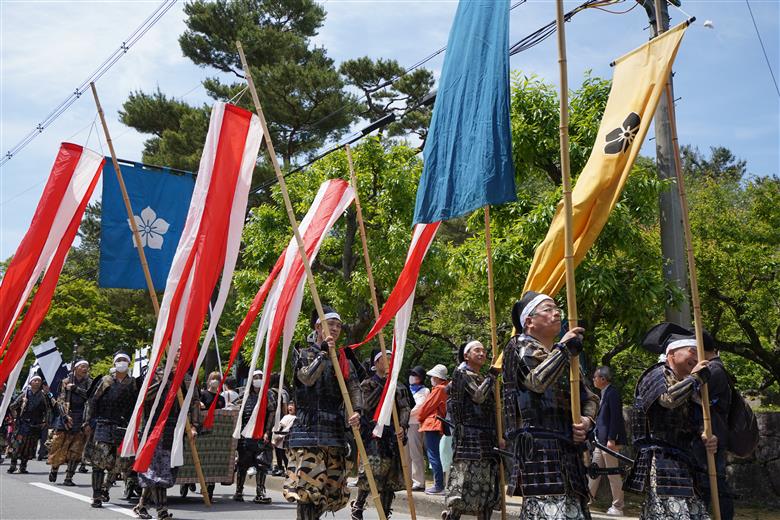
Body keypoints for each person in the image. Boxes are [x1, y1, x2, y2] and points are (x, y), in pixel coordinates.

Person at [502, 291, 599, 519]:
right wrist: (563, 349)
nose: (556, 313)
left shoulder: (567, 357)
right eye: (547, 309)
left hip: (568, 447)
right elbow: (536, 382)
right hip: (538, 448)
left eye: (557, 309)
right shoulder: (518, 347)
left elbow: (591, 398)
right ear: (529, 321)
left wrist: (586, 421)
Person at [624, 323, 717, 520]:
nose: (696, 357)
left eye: (699, 353)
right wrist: (695, 379)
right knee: (673, 513)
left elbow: (693, 421)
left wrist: (706, 436)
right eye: (692, 350)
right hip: (660, 460)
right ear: (672, 353)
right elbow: (667, 400)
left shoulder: (691, 385)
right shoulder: (656, 374)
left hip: (684, 460)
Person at [283, 306, 363, 520]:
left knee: (330, 493)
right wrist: (323, 354)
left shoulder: (344, 358)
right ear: (318, 327)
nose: (335, 329)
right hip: (308, 430)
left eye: (338, 325)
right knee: (307, 492)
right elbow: (306, 378)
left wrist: (356, 411)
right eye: (331, 324)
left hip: (335, 431)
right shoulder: (304, 353)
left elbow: (354, 387)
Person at [133, 361, 201, 520]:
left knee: (166, 470)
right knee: (157, 471)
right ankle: (162, 511)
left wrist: (194, 426)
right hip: (155, 428)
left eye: (180, 350)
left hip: (174, 430)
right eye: (175, 350)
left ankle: (142, 505)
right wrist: (164, 382)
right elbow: (144, 396)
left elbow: (194, 403)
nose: (178, 354)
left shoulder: (187, 379)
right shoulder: (156, 373)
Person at [442, 341, 500, 520]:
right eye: (477, 350)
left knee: (486, 488)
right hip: (468, 439)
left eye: (484, 350)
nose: (482, 353)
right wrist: (492, 376)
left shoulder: (481, 377)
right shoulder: (461, 374)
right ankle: (452, 517)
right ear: (466, 355)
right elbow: (478, 396)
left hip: (487, 438)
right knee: (463, 484)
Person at [351, 349, 411, 519]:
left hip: (392, 435)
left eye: (392, 359)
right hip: (373, 434)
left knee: (389, 478)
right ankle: (359, 506)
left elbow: (405, 407)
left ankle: (385, 513)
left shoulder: (399, 386)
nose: (389, 362)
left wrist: (403, 426)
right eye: (385, 359)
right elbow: (367, 406)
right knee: (370, 473)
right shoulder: (367, 384)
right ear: (376, 363)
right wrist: (384, 387)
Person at [83, 351, 138, 508]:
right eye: (119, 360)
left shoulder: (133, 383)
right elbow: (92, 402)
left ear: (129, 363)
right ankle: (96, 495)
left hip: (123, 426)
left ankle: (105, 488)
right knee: (99, 462)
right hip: (103, 424)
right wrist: (87, 422)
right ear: (114, 363)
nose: (122, 362)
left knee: (119, 463)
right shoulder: (105, 381)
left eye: (124, 360)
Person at [588, 366, 627, 517]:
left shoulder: (612, 393)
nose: (593, 380)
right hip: (600, 441)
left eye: (595, 377)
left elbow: (616, 418)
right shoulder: (604, 393)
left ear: (603, 379)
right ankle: (586, 499)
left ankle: (618, 507)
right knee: (593, 471)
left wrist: (612, 439)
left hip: (610, 441)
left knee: (613, 473)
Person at [233, 368, 276, 504]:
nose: (258, 379)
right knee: (243, 463)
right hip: (245, 434)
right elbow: (237, 409)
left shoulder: (268, 395)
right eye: (255, 377)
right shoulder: (244, 395)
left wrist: (267, 431)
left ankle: (260, 492)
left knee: (262, 464)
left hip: (262, 435)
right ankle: (239, 491)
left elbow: (271, 413)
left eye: (260, 377)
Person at [47, 358, 92, 486]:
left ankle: (69, 477)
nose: (84, 369)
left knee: (76, 450)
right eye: (82, 366)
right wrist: (65, 416)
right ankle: (54, 468)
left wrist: (76, 389)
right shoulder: (66, 381)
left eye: (86, 366)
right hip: (65, 417)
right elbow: (60, 400)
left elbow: (91, 396)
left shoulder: (89, 382)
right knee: (59, 445)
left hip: (81, 418)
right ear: (75, 368)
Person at [7, 374, 52, 474]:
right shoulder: (24, 394)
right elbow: (12, 407)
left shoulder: (44, 396)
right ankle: (13, 465)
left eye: (39, 381)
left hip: (35, 425)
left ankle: (23, 466)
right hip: (23, 424)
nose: (37, 382)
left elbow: (47, 410)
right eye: (35, 380)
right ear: (30, 382)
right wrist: (21, 404)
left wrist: (45, 422)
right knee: (17, 446)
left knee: (29, 446)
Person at [417, 363, 449, 495]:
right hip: (439, 424)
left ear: (437, 377)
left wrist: (419, 417)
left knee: (433, 455)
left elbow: (426, 407)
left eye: (432, 376)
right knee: (437, 455)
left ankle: (438, 485)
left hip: (433, 424)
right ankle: (440, 484)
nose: (431, 379)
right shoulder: (446, 388)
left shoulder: (439, 389)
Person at [406, 365, 430, 491]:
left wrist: (405, 413)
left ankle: (419, 481)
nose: (412, 377)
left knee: (415, 452)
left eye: (415, 375)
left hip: (415, 423)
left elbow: (420, 406)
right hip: (405, 423)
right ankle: (407, 479)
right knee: (406, 454)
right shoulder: (408, 389)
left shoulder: (424, 391)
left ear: (420, 377)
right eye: (411, 374)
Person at [272, 401, 297, 476]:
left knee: (285, 456)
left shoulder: (295, 418)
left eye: (292, 405)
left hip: (284, 439)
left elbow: (288, 429)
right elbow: (279, 426)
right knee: (278, 455)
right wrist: (274, 436)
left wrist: (279, 437)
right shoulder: (285, 416)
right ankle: (280, 469)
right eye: (289, 405)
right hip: (278, 438)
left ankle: (288, 471)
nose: (290, 407)